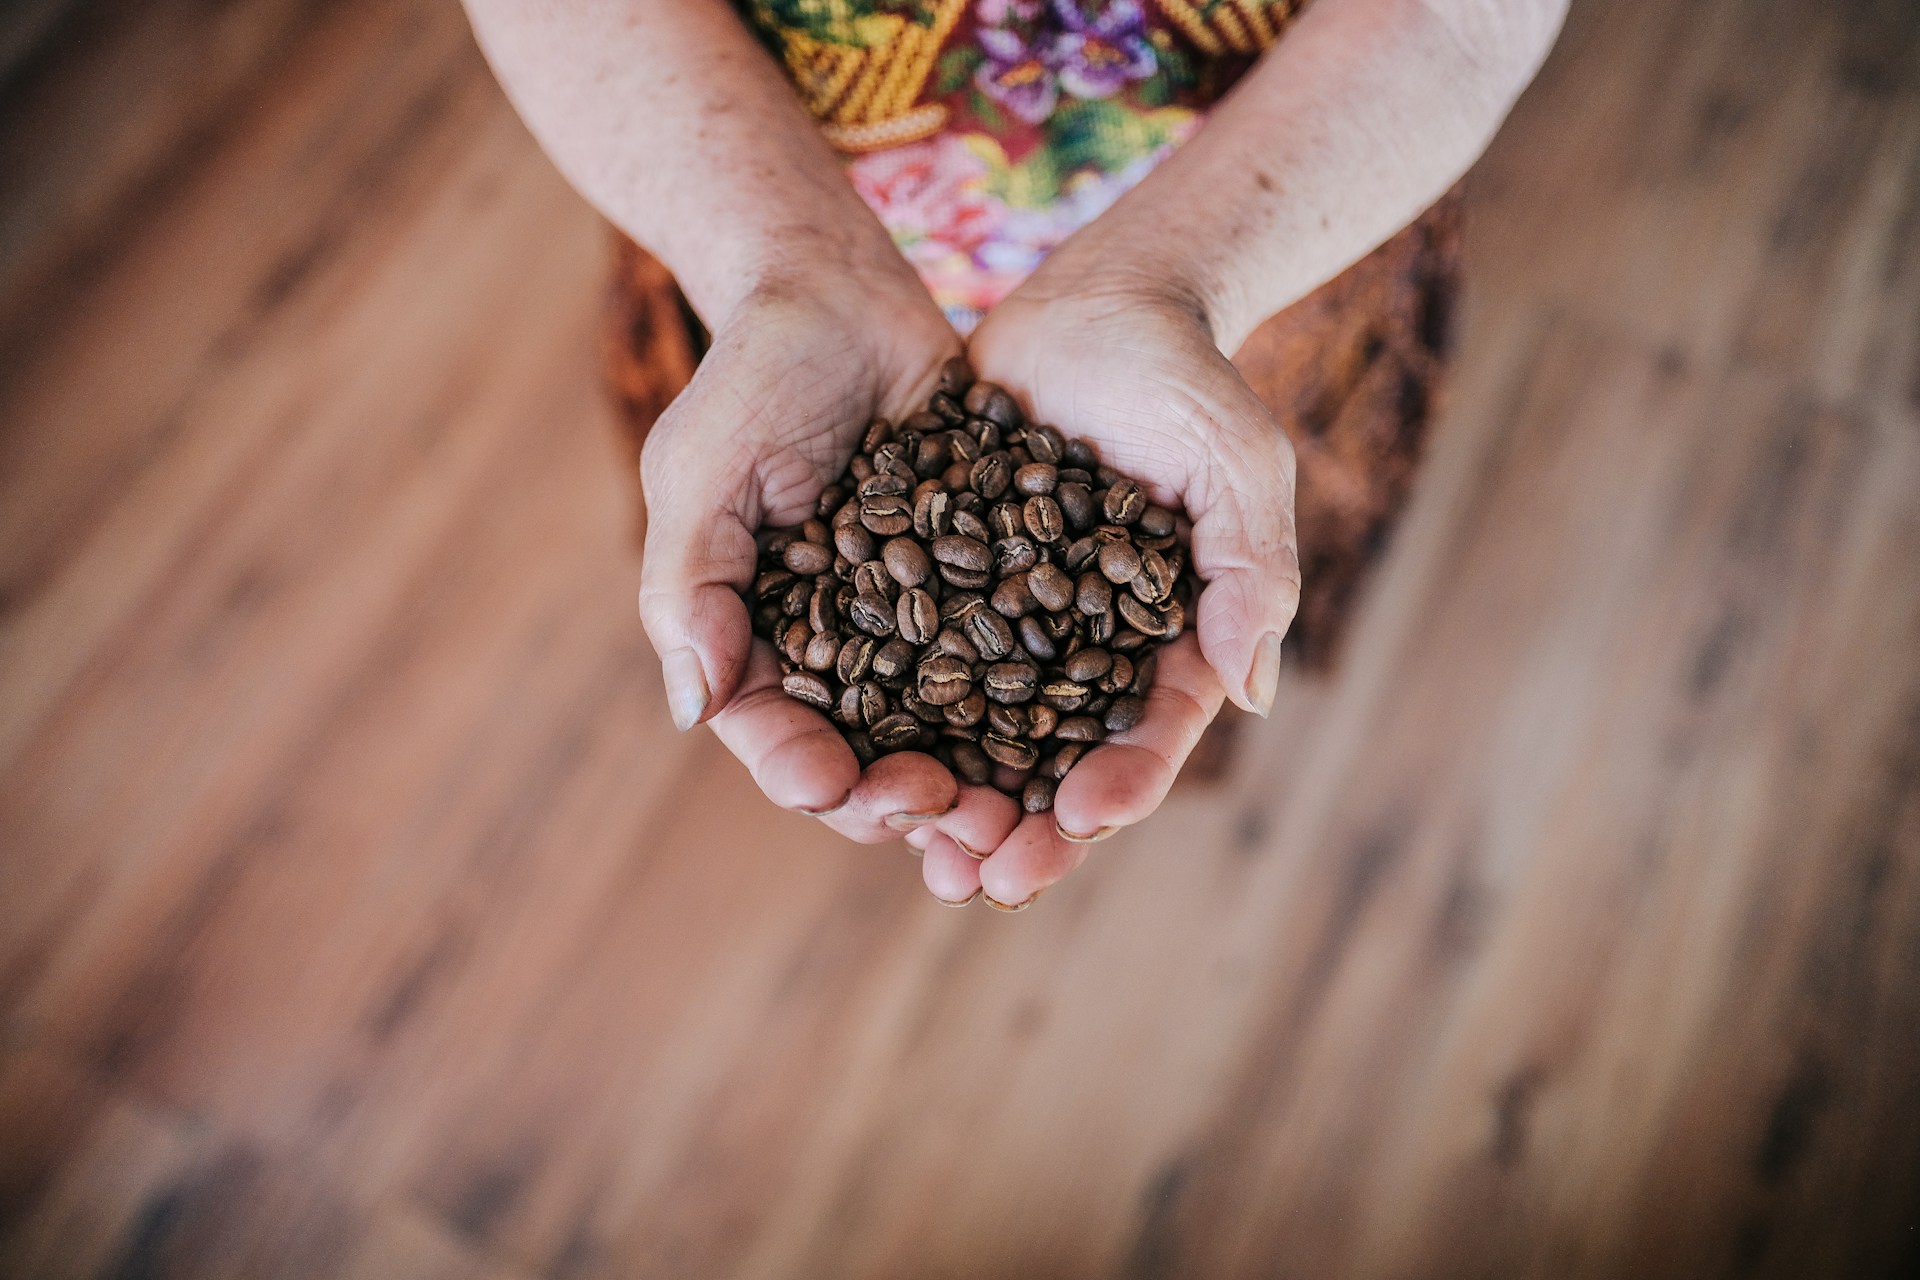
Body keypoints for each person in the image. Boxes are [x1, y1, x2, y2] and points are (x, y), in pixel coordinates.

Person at [460, 0, 1565, 908]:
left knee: (1208, 572)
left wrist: (1171, 277)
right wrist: (781, 264)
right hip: (743, 167)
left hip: (1281, 199)